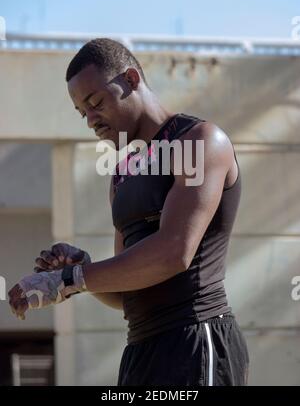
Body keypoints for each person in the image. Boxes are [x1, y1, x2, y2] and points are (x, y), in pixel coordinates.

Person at [8, 38, 249, 386]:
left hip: (197, 339)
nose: (91, 120)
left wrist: (65, 281)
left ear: (131, 80)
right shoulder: (123, 173)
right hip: (140, 349)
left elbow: (173, 253)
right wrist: (80, 272)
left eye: (95, 103)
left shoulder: (198, 141)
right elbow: (127, 295)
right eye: (82, 113)